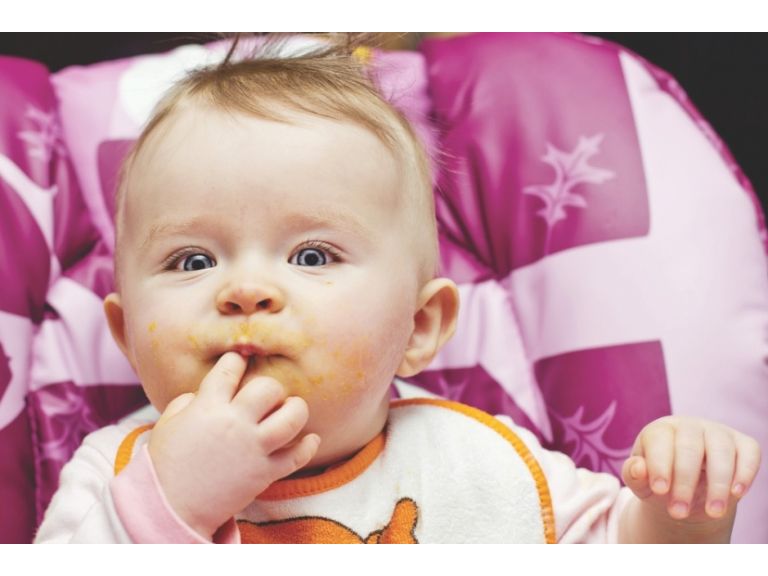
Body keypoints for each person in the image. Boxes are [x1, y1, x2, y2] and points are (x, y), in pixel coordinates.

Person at [35, 36, 761, 544]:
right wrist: (173, 506)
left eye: (312, 253)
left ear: (419, 327)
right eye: (193, 262)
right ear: (127, 336)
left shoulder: (483, 459)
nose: (246, 290)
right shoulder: (112, 479)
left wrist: (679, 515)